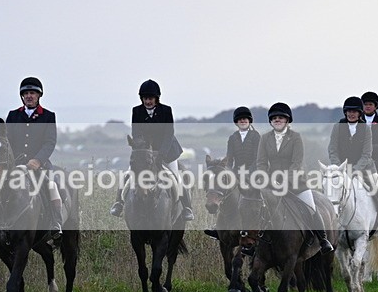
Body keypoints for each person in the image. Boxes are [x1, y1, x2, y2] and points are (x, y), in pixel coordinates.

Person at [0, 77, 63, 247]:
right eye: (26, 93)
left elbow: (49, 142)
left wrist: (37, 160)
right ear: (22, 96)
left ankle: (56, 223)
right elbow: (6, 142)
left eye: (32, 93)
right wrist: (5, 163)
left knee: (51, 186)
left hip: (40, 165)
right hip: (14, 165)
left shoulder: (48, 116)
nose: (29, 96)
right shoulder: (13, 115)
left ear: (39, 95)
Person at [109, 79, 194, 221]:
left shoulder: (166, 110)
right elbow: (136, 133)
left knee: (175, 177)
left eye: (150, 98)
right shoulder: (137, 111)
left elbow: (169, 134)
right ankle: (119, 203)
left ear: (156, 98)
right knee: (127, 175)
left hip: (167, 152)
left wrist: (161, 154)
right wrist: (143, 150)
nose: (148, 101)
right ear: (141, 98)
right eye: (145, 98)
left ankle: (187, 207)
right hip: (143, 153)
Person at [254, 102, 333, 253]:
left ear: (287, 120)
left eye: (281, 118)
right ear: (271, 121)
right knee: (258, 208)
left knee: (311, 208)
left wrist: (283, 180)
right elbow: (261, 162)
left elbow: (296, 163)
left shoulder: (296, 137)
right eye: (274, 118)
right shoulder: (264, 138)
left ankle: (323, 240)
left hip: (296, 183)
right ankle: (255, 243)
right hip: (271, 183)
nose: (277, 120)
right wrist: (266, 178)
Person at [328, 96, 378, 239]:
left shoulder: (365, 128)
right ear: (345, 112)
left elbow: (366, 154)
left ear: (359, 113)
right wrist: (340, 168)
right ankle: (329, 224)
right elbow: (332, 150)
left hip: (365, 168)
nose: (351, 114)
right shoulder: (337, 127)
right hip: (342, 168)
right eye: (349, 111)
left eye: (354, 111)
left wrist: (355, 170)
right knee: (329, 188)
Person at [204, 106, 260, 240]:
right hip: (236, 172)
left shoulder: (256, 136)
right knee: (224, 193)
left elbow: (257, 159)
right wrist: (228, 171)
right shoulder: (232, 137)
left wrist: (246, 174)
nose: (242, 121)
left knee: (256, 196)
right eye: (240, 119)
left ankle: (256, 226)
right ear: (236, 122)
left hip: (255, 172)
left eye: (245, 119)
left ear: (249, 121)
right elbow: (229, 159)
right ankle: (219, 227)